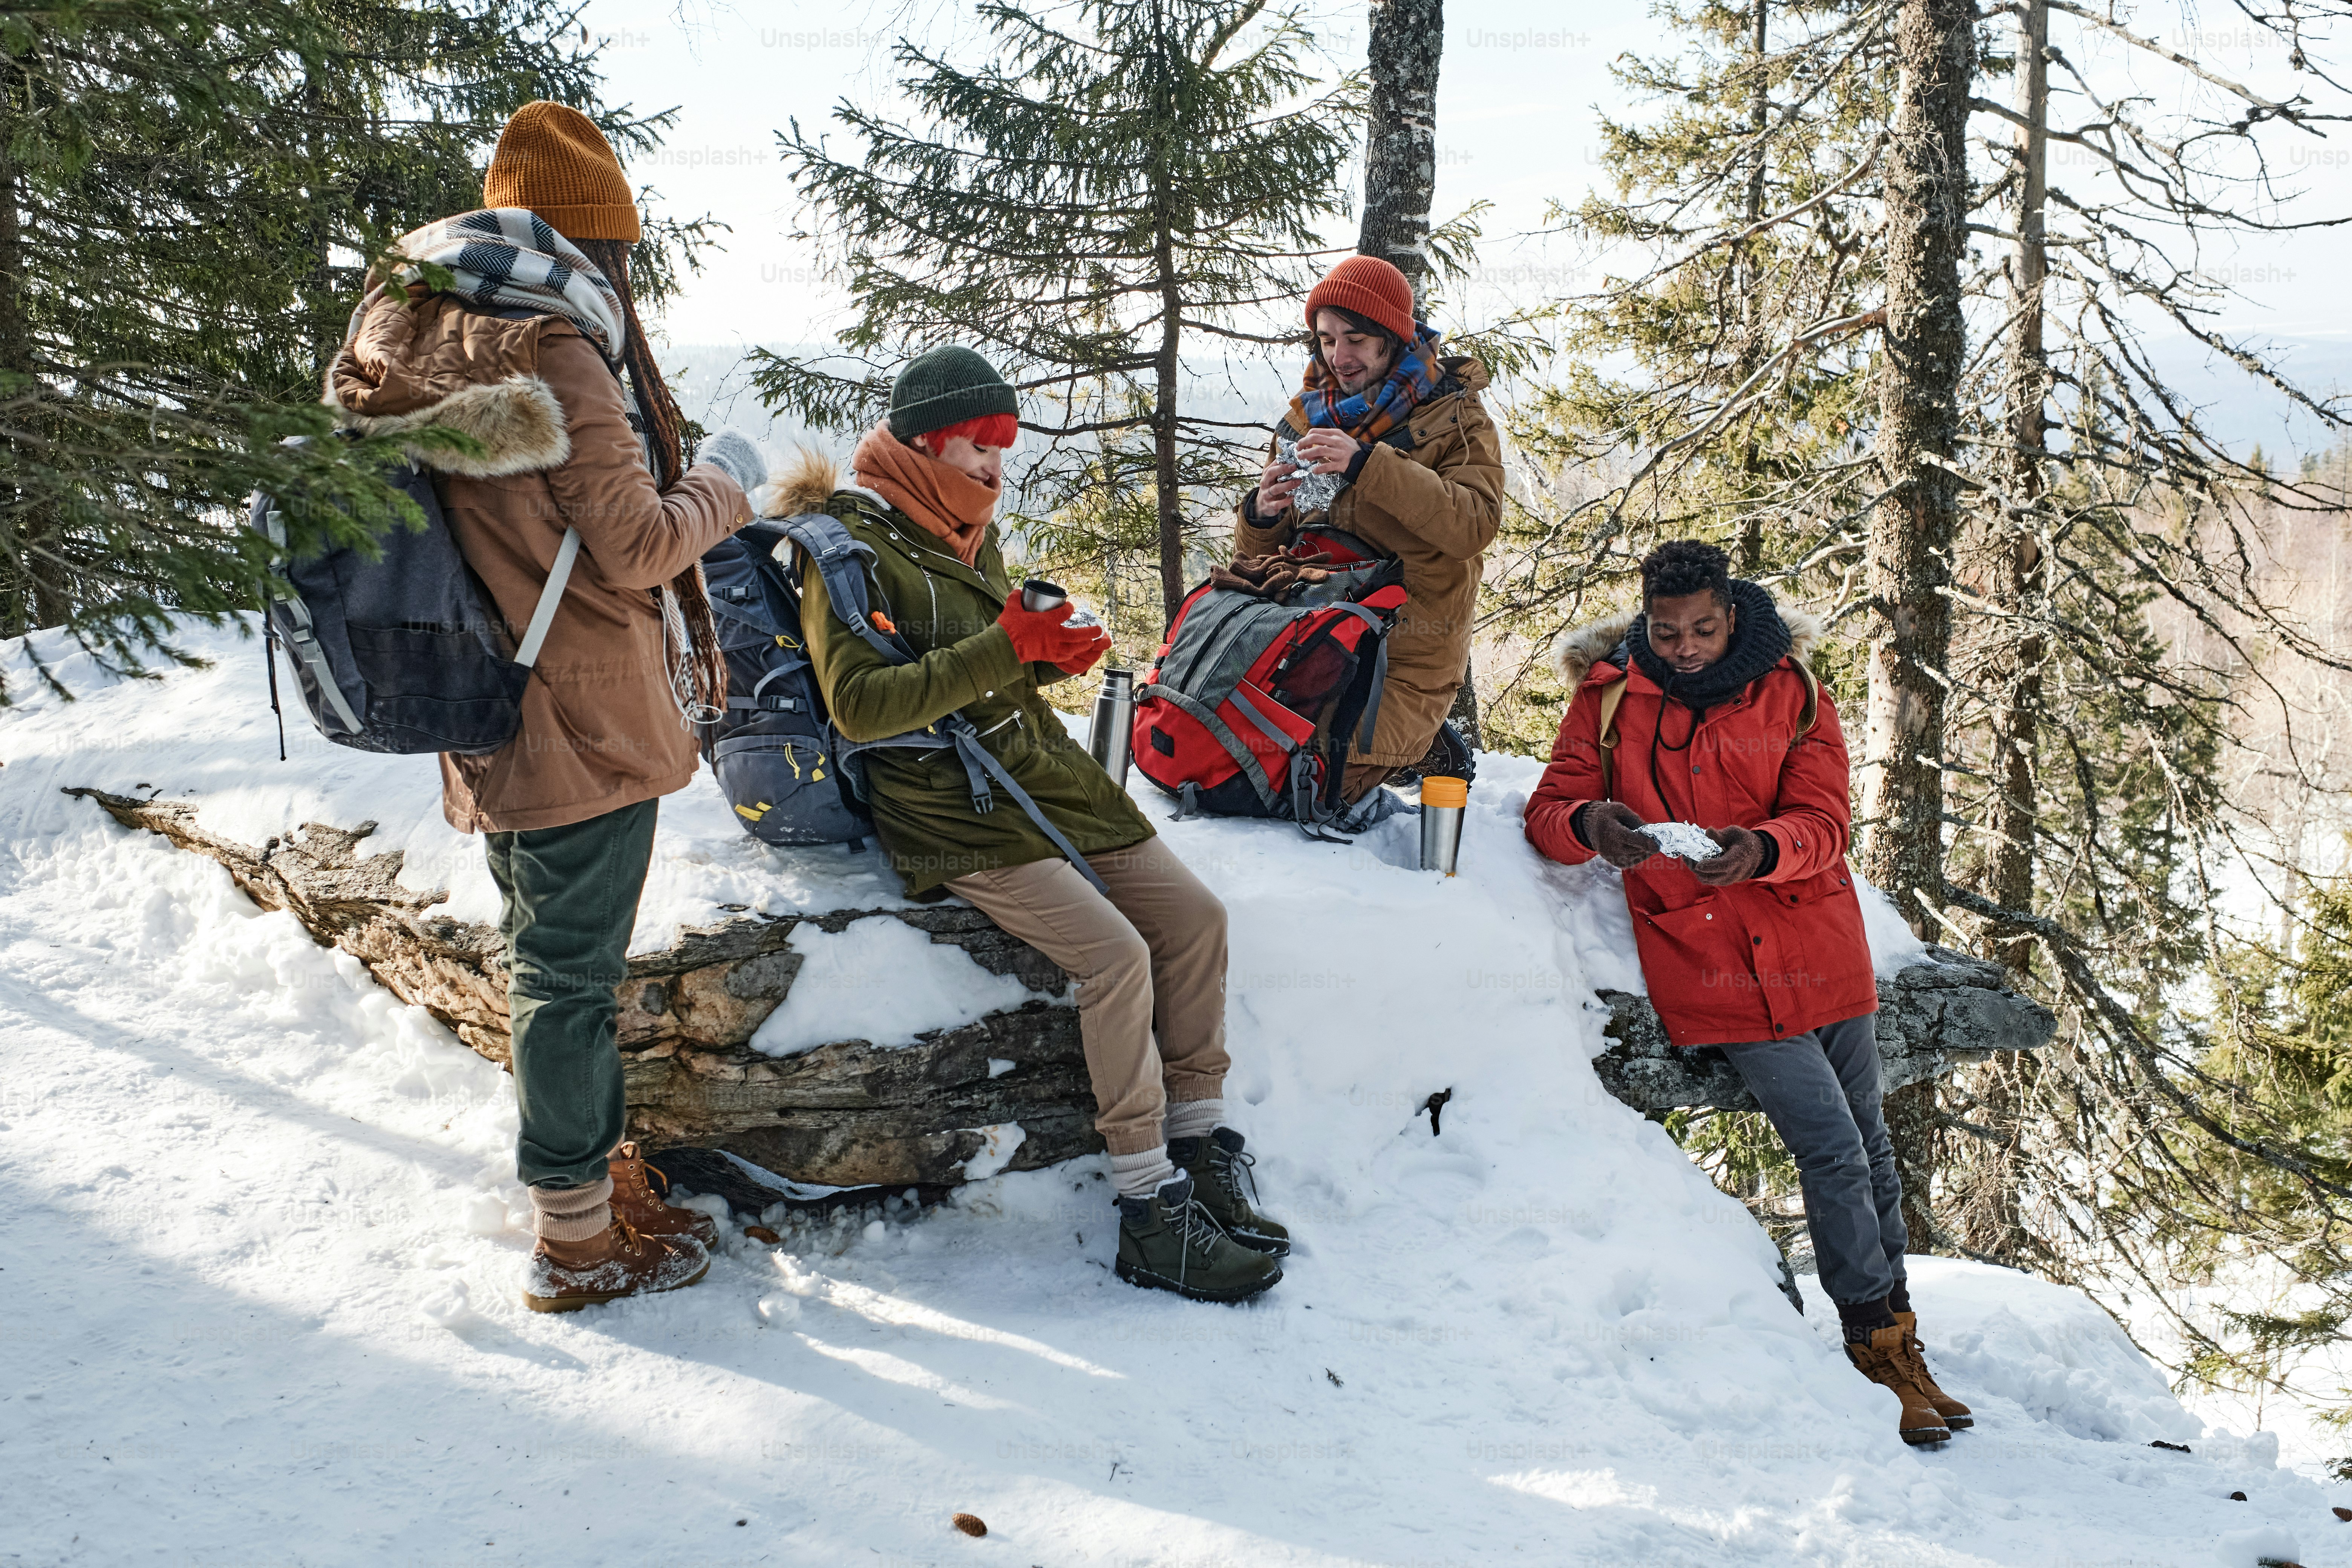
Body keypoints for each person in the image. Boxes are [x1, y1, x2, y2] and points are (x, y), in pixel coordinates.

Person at [328, 102, 770, 1312]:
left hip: (480, 691)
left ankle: (593, 1182)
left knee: (544, 955)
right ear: (593, 241)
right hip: (581, 709)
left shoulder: (405, 324)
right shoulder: (552, 343)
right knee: (568, 976)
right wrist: (727, 480)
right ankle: (577, 1240)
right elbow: (633, 545)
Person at [787, 345, 1285, 1302]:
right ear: (929, 442)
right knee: (1114, 956)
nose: (995, 471)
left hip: (1037, 780)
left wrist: (1043, 658)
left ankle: (1200, 1143)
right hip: (951, 813)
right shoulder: (846, 549)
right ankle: (1148, 1207)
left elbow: (983, 665)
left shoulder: (960, 531)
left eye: (1004, 452)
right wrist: (1002, 645)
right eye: (982, 448)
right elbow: (861, 707)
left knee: (1195, 921)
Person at [1521, 539, 1974, 1446]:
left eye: (1702, 628)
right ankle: (1866, 1347)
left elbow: (1826, 822)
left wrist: (1764, 848)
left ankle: (1904, 1345)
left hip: (1816, 943)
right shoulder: (1607, 698)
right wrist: (1592, 824)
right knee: (1835, 1150)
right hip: (1712, 961)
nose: (1684, 646)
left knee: (1873, 1149)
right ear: (1645, 621)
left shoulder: (1794, 692)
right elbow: (1549, 809)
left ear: (1731, 615)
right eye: (1666, 630)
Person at [1232, 254, 1503, 816]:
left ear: (1393, 339)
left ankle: (1418, 747)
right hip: (1309, 639)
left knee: (1304, 788)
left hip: (1402, 651)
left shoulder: (1458, 419)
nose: (1340, 356)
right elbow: (1260, 563)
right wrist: (1262, 515)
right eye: (1328, 339)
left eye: (1356, 339)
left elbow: (1473, 525)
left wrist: (1367, 466)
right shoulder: (1304, 420)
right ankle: (1399, 751)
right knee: (1233, 756)